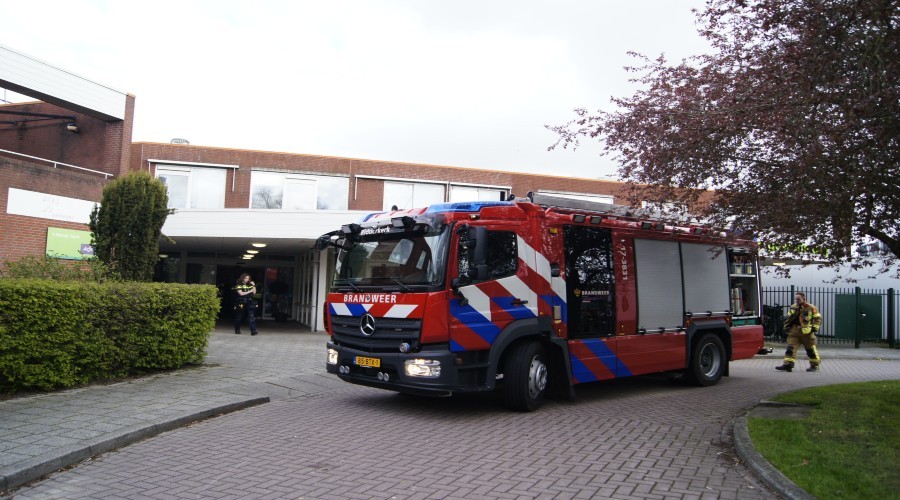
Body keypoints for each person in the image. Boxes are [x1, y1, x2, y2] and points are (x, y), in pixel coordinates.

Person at [776, 292, 822, 372]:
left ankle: (814, 365)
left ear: (804, 299)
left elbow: (817, 318)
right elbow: (789, 317)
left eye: (798, 299)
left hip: (806, 332)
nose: (797, 300)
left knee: (810, 350)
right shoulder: (793, 307)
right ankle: (788, 364)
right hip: (794, 331)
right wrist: (786, 325)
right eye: (796, 299)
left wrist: (814, 328)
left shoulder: (811, 308)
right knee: (791, 348)